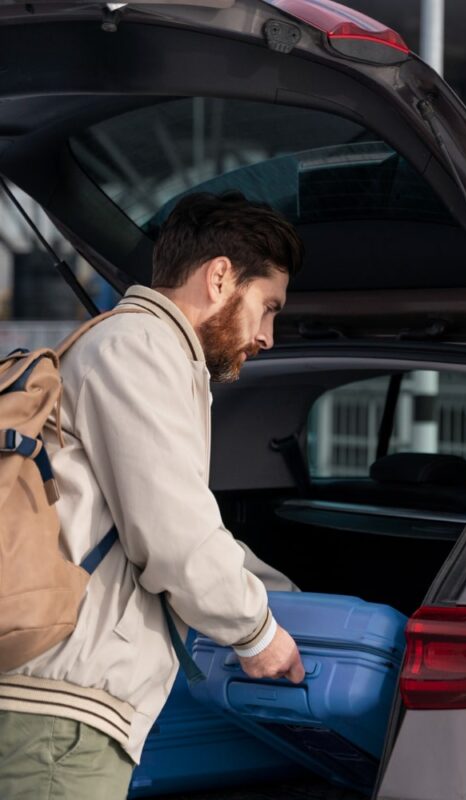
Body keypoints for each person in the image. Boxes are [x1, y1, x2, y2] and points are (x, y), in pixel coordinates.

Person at [0, 192, 306, 799]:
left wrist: (287, 600)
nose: (270, 335)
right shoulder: (140, 347)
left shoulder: (141, 350)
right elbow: (176, 538)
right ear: (221, 277)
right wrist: (258, 635)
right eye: (268, 307)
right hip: (59, 721)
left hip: (56, 712)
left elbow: (184, 521)